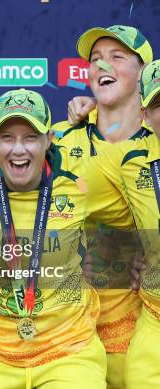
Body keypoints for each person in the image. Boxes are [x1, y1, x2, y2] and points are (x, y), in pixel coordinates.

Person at [0, 88, 108, 388]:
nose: (18, 149)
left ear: (49, 140)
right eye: (7, 138)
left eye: (30, 137)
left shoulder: (81, 182)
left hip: (68, 353)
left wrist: (97, 108)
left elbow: (139, 193)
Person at [52, 25, 153, 389]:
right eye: (95, 59)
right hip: (72, 323)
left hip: (141, 319)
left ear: (144, 71)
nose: (101, 65)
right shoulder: (59, 138)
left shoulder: (157, 143)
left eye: (116, 57)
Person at [85, 58, 160, 388]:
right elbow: (69, 189)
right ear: (144, 115)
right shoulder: (131, 160)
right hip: (154, 325)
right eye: (159, 104)